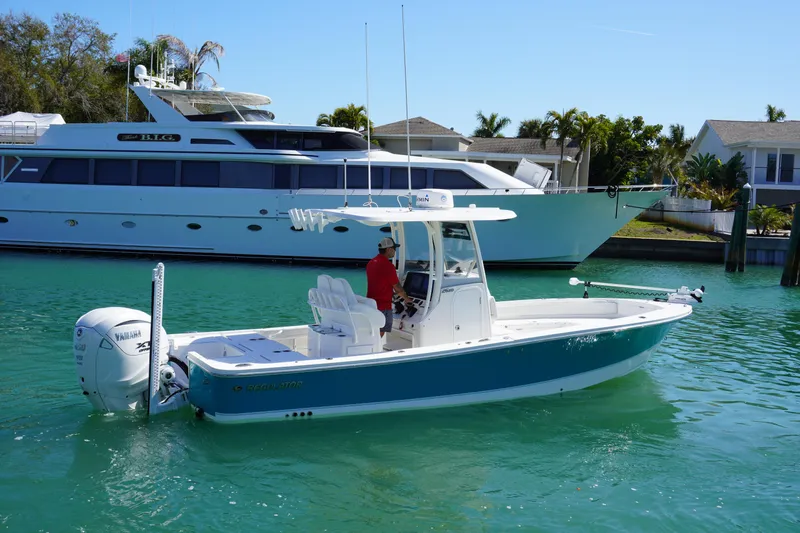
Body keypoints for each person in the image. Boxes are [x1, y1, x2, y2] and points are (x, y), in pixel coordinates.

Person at [366, 237, 412, 337]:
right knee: (380, 333)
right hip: (383, 306)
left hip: (371, 304)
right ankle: (375, 351)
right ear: (388, 249)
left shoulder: (371, 263)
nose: (395, 251)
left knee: (374, 333)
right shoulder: (387, 266)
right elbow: (398, 288)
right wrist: (407, 299)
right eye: (394, 248)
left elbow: (378, 283)